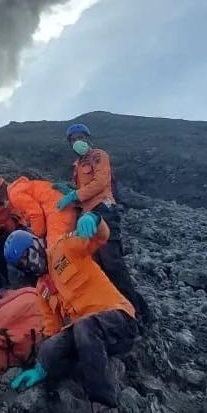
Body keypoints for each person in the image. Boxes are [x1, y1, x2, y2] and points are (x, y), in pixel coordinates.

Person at [4, 218, 137, 413]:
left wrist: (95, 220)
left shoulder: (64, 247)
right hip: (90, 336)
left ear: (37, 243)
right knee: (50, 348)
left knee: (84, 327)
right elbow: (52, 329)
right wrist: (42, 365)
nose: (30, 264)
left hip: (118, 319)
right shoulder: (42, 290)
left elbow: (99, 237)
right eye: (23, 264)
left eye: (28, 255)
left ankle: (104, 403)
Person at [56, 122, 150, 324]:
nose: (77, 142)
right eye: (73, 140)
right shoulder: (78, 166)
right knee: (101, 267)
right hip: (89, 217)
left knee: (113, 265)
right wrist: (70, 192)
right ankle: (121, 310)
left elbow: (100, 183)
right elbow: (83, 192)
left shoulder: (99, 156)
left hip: (104, 211)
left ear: (88, 139)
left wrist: (74, 194)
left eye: (81, 137)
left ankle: (139, 315)